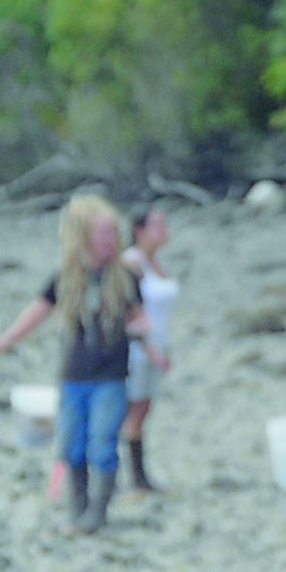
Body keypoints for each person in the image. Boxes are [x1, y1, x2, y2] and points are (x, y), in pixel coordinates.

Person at [0, 195, 165, 535]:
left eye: (113, 233)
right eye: (103, 233)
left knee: (103, 442)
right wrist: (5, 340)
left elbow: (140, 318)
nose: (110, 240)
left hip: (111, 376)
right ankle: (77, 509)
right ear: (84, 237)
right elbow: (38, 310)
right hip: (74, 375)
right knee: (72, 444)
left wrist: (151, 345)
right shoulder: (68, 276)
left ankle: (98, 512)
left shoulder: (124, 277)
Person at [119, 206, 178, 492]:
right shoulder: (132, 263)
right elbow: (130, 309)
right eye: (157, 225)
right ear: (139, 230)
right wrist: (147, 346)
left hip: (156, 345)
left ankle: (139, 477)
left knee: (143, 409)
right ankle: (132, 478)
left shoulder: (156, 263)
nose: (163, 230)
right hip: (137, 349)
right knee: (130, 410)